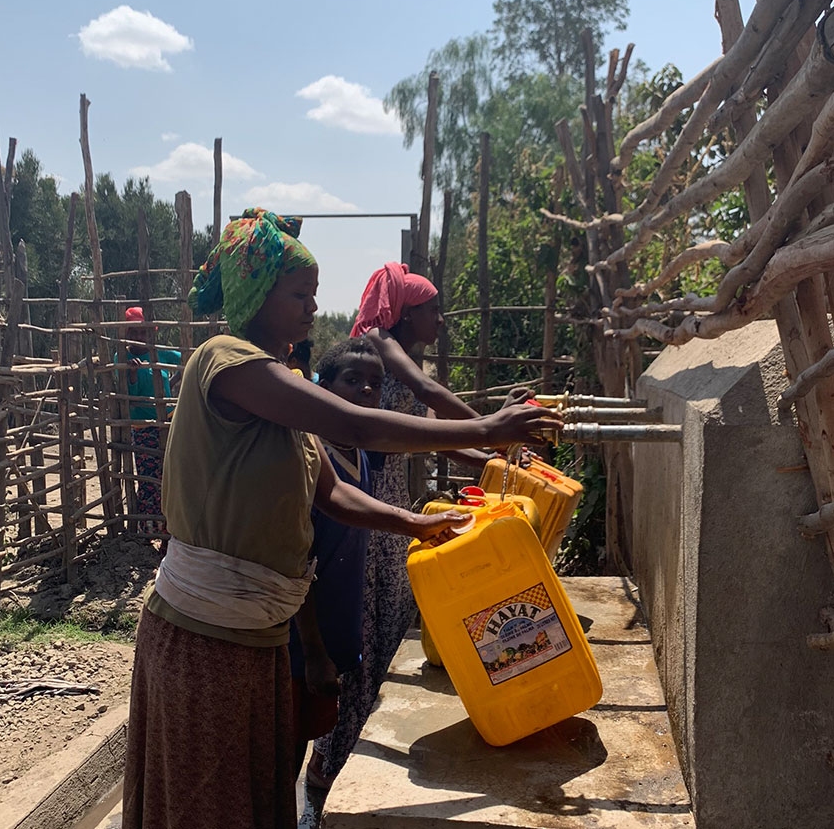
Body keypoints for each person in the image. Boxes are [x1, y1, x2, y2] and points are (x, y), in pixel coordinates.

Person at [121, 209, 561, 829]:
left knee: (256, 796)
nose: (310, 309)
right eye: (299, 295)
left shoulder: (284, 390)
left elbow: (331, 496)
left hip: (262, 639)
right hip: (205, 639)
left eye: (315, 296)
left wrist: (413, 526)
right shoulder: (225, 362)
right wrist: (487, 429)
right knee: (208, 803)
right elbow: (353, 425)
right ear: (256, 296)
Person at [311, 261, 495, 790]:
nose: (441, 317)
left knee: (388, 623)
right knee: (357, 628)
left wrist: (488, 460)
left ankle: (347, 750)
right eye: (433, 309)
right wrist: (497, 433)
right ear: (407, 313)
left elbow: (431, 435)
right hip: (362, 494)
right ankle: (327, 761)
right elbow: (431, 399)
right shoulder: (381, 346)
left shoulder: (401, 354)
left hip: (389, 501)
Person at [287, 338, 383, 795]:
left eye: (375, 385)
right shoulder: (310, 459)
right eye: (353, 381)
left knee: (306, 739)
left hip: (335, 638)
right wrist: (314, 652)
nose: (367, 390)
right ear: (322, 389)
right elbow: (298, 559)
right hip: (302, 646)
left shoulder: (360, 454)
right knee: (281, 753)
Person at [122, 306, 182, 528]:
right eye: (134, 333)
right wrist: (133, 374)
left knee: (167, 473)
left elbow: (186, 361)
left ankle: (166, 524)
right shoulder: (123, 357)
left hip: (166, 421)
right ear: (126, 334)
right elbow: (129, 397)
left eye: (143, 332)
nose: (139, 337)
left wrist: (171, 384)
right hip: (142, 426)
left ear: (151, 333)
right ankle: (147, 525)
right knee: (147, 475)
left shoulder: (159, 353)